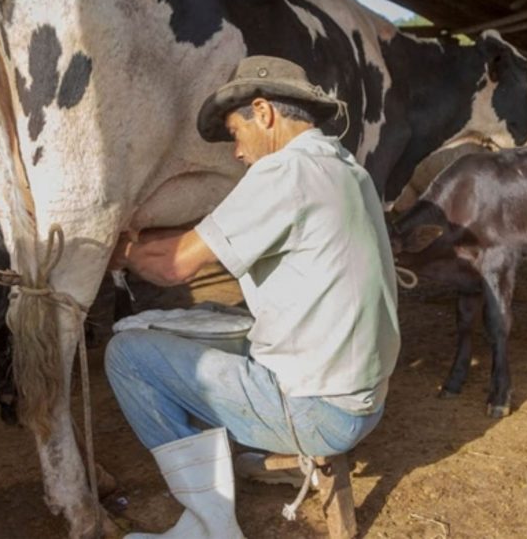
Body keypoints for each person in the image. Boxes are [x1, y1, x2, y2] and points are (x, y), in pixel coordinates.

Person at [105, 56, 401, 539]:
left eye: (235, 133)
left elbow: (171, 266)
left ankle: (210, 521)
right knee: (209, 319)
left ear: (263, 112)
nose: (237, 153)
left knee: (128, 354)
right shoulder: (343, 168)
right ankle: (225, 461)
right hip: (366, 399)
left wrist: (117, 251)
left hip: (318, 413)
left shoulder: (284, 172)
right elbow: (210, 235)